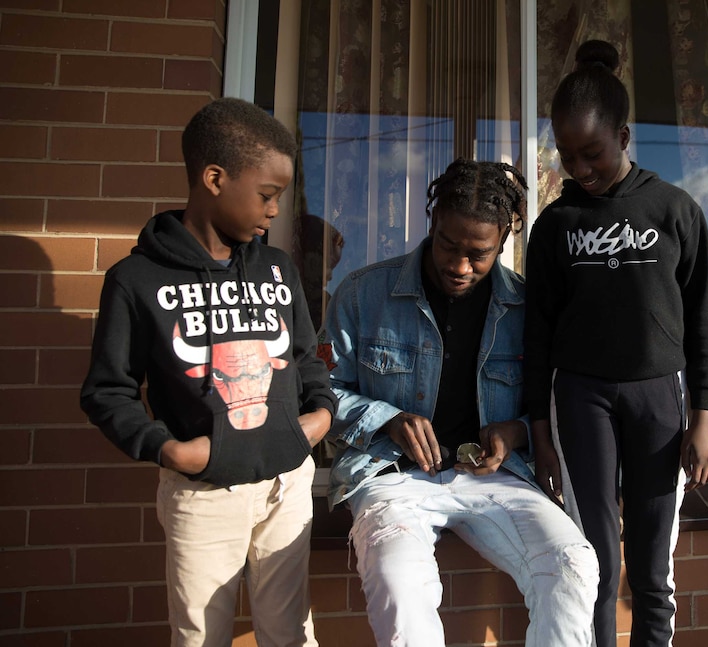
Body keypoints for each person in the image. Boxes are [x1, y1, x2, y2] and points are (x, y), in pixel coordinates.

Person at [80, 97, 337, 647]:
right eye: (267, 195)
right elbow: (107, 391)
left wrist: (317, 418)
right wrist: (168, 450)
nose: (274, 211)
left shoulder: (278, 268)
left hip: (285, 485)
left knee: (290, 633)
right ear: (215, 178)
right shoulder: (135, 280)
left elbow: (304, 356)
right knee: (201, 638)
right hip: (204, 493)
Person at [323, 158, 600, 647]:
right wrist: (387, 420)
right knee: (399, 582)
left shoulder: (527, 307)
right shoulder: (363, 294)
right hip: (392, 478)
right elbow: (322, 393)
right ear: (432, 224)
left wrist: (515, 432)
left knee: (572, 563)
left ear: (504, 242)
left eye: (479, 254)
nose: (459, 265)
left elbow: (555, 402)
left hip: (496, 478)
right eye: (449, 246)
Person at [524, 40, 708, 647]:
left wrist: (703, 419)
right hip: (581, 402)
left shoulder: (674, 210)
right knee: (598, 564)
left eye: (593, 153)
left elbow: (702, 322)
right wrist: (539, 428)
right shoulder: (555, 225)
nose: (579, 169)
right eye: (567, 155)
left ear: (625, 136)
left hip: (659, 401)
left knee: (652, 568)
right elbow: (538, 332)